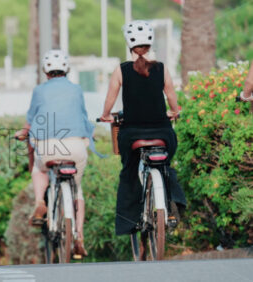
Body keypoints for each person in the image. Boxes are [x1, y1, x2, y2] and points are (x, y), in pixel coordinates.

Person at [99, 20, 187, 236]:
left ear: (128, 44)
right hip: (162, 134)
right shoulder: (162, 68)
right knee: (166, 164)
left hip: (132, 135)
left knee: (129, 173)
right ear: (151, 42)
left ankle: (130, 222)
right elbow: (172, 97)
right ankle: (173, 201)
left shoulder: (121, 70)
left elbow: (110, 100)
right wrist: (175, 111)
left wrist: (105, 115)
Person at [15, 49, 96, 258]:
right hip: (76, 147)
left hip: (48, 148)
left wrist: (23, 133)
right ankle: (79, 237)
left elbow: (31, 120)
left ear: (45, 71)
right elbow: (84, 117)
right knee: (77, 190)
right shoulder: (77, 89)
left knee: (38, 169)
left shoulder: (39, 91)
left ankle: (40, 202)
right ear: (67, 69)